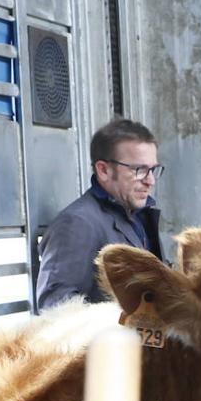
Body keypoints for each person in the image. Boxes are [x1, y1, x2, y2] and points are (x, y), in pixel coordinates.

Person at [36, 119, 165, 309]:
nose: (151, 181)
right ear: (103, 170)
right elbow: (54, 303)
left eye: (153, 169)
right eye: (139, 170)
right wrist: (120, 325)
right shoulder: (77, 223)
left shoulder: (137, 216)